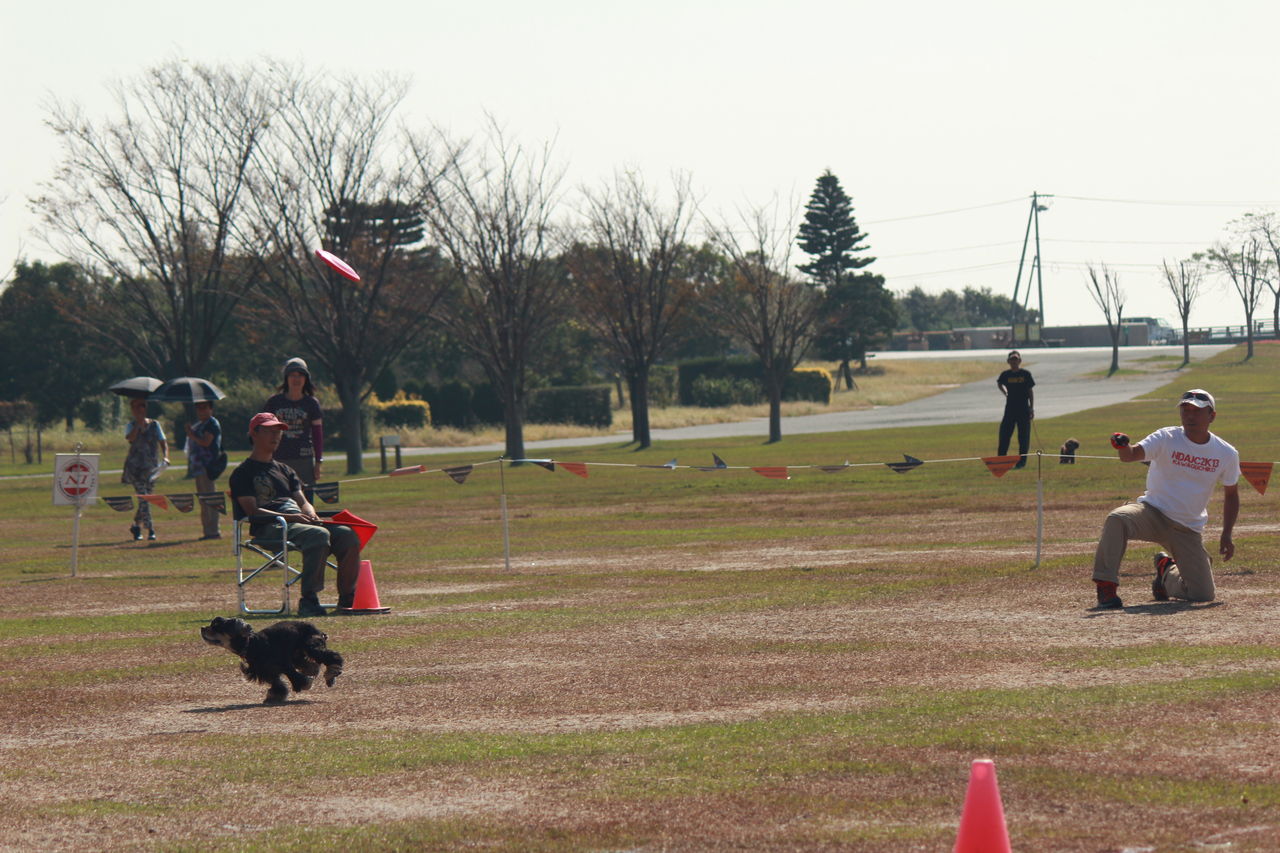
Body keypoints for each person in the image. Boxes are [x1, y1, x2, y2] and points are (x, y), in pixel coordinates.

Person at [1091, 388, 1240, 610]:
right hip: (1152, 512)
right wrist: (1122, 446)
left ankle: (1166, 572)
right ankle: (1106, 585)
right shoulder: (1166, 437)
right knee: (1118, 518)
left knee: (1202, 594)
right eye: (1185, 410)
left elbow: (1232, 495)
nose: (1190, 415)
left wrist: (1227, 534)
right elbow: (1131, 456)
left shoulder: (1226, 453)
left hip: (1187, 527)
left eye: (1197, 411)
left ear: (1212, 416)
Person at [229, 412, 359, 616]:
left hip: (297, 522)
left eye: (278, 431)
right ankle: (309, 599)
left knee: (347, 534)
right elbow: (252, 511)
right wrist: (292, 518)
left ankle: (347, 600)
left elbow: (302, 501)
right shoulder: (242, 473)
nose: (276, 436)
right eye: (269, 431)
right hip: (270, 526)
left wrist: (310, 514)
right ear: (254, 433)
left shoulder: (286, 470)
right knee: (318, 535)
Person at [263, 357, 324, 498]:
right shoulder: (274, 402)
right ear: (286, 378)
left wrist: (318, 462)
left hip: (304, 460)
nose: (296, 379)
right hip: (279, 458)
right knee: (280, 501)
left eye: (300, 375)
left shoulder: (312, 403)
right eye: (292, 375)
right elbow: (263, 432)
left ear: (306, 379)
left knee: (306, 502)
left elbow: (318, 434)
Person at [122, 396, 169, 541]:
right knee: (143, 497)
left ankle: (136, 525)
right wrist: (138, 424)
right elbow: (130, 438)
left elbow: (163, 442)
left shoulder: (155, 425)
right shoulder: (131, 425)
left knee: (146, 499)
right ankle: (150, 529)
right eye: (136, 407)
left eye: (142, 406)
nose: (139, 409)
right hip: (135, 469)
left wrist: (166, 457)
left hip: (151, 469)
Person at [185, 400, 224, 540]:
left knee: (210, 498)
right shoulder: (200, 425)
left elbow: (206, 442)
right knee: (203, 499)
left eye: (204, 407)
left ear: (210, 409)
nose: (201, 410)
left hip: (208, 466)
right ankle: (207, 531)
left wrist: (191, 435)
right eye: (198, 408)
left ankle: (213, 531)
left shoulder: (212, 424)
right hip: (199, 467)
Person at [996, 350, 1035, 468]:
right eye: (1012, 359)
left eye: (1016, 359)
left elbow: (1030, 391)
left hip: (1023, 408)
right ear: (1008, 361)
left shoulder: (1025, 374)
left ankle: (1021, 462)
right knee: (1004, 434)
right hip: (1010, 408)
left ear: (1020, 361)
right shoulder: (1006, 374)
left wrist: (1031, 408)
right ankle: (1002, 460)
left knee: (1023, 437)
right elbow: (999, 383)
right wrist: (1005, 392)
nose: (1014, 362)